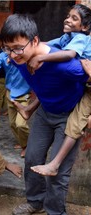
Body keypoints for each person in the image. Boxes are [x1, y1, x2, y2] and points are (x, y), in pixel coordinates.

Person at [0, 14, 88, 215]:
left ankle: (55, 212)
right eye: (8, 48)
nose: (13, 55)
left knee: (57, 171)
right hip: (45, 113)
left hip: (68, 116)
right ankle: (35, 202)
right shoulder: (17, 59)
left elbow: (87, 77)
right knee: (32, 159)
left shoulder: (66, 65)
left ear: (36, 41)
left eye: (18, 48)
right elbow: (40, 83)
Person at [23, 4, 91, 176]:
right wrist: (25, 48)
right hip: (75, 84)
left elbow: (69, 55)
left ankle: (55, 164)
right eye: (68, 16)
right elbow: (46, 44)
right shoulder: (67, 36)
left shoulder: (81, 38)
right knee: (49, 89)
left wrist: (41, 57)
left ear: (84, 27)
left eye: (74, 18)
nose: (68, 19)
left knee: (75, 125)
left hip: (88, 89)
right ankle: (30, 109)